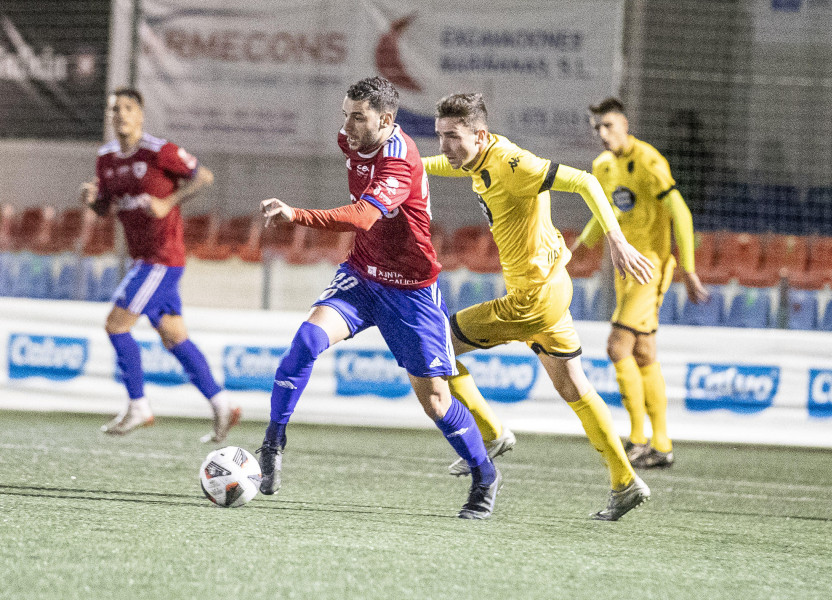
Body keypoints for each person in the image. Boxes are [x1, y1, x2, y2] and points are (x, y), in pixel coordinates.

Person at [255, 77, 500, 520]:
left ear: (386, 120)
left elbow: (363, 216)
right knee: (305, 343)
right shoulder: (353, 140)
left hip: (411, 291)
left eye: (358, 117)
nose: (346, 126)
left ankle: (485, 475)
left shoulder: (400, 160)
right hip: (363, 277)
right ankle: (272, 443)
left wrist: (296, 214)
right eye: (344, 114)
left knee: (437, 403)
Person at [423, 93, 654, 521]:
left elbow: (585, 182)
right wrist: (407, 165)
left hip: (533, 300)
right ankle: (624, 482)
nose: (444, 146)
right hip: (551, 290)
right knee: (575, 389)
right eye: (440, 136)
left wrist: (617, 241)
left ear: (481, 135)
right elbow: (438, 164)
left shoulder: (512, 165)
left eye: (452, 137)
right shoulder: (478, 158)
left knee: (434, 343)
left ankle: (490, 435)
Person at [79, 87, 241, 441]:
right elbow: (106, 209)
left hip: (162, 259)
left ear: (140, 115)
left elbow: (204, 176)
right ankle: (222, 405)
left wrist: (169, 201)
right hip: (144, 259)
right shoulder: (106, 158)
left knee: (116, 325)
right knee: (174, 337)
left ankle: (138, 406)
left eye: (127, 108)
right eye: (114, 109)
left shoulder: (159, 151)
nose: (120, 114)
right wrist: (92, 202)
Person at [573, 98, 709, 468]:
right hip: (624, 269)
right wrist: (580, 247)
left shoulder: (649, 161)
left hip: (650, 267)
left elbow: (679, 210)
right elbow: (609, 212)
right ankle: (661, 445)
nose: (603, 134)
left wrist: (689, 268)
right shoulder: (602, 166)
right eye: (597, 128)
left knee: (617, 346)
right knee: (644, 353)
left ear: (625, 124)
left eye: (609, 126)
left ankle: (635, 439)